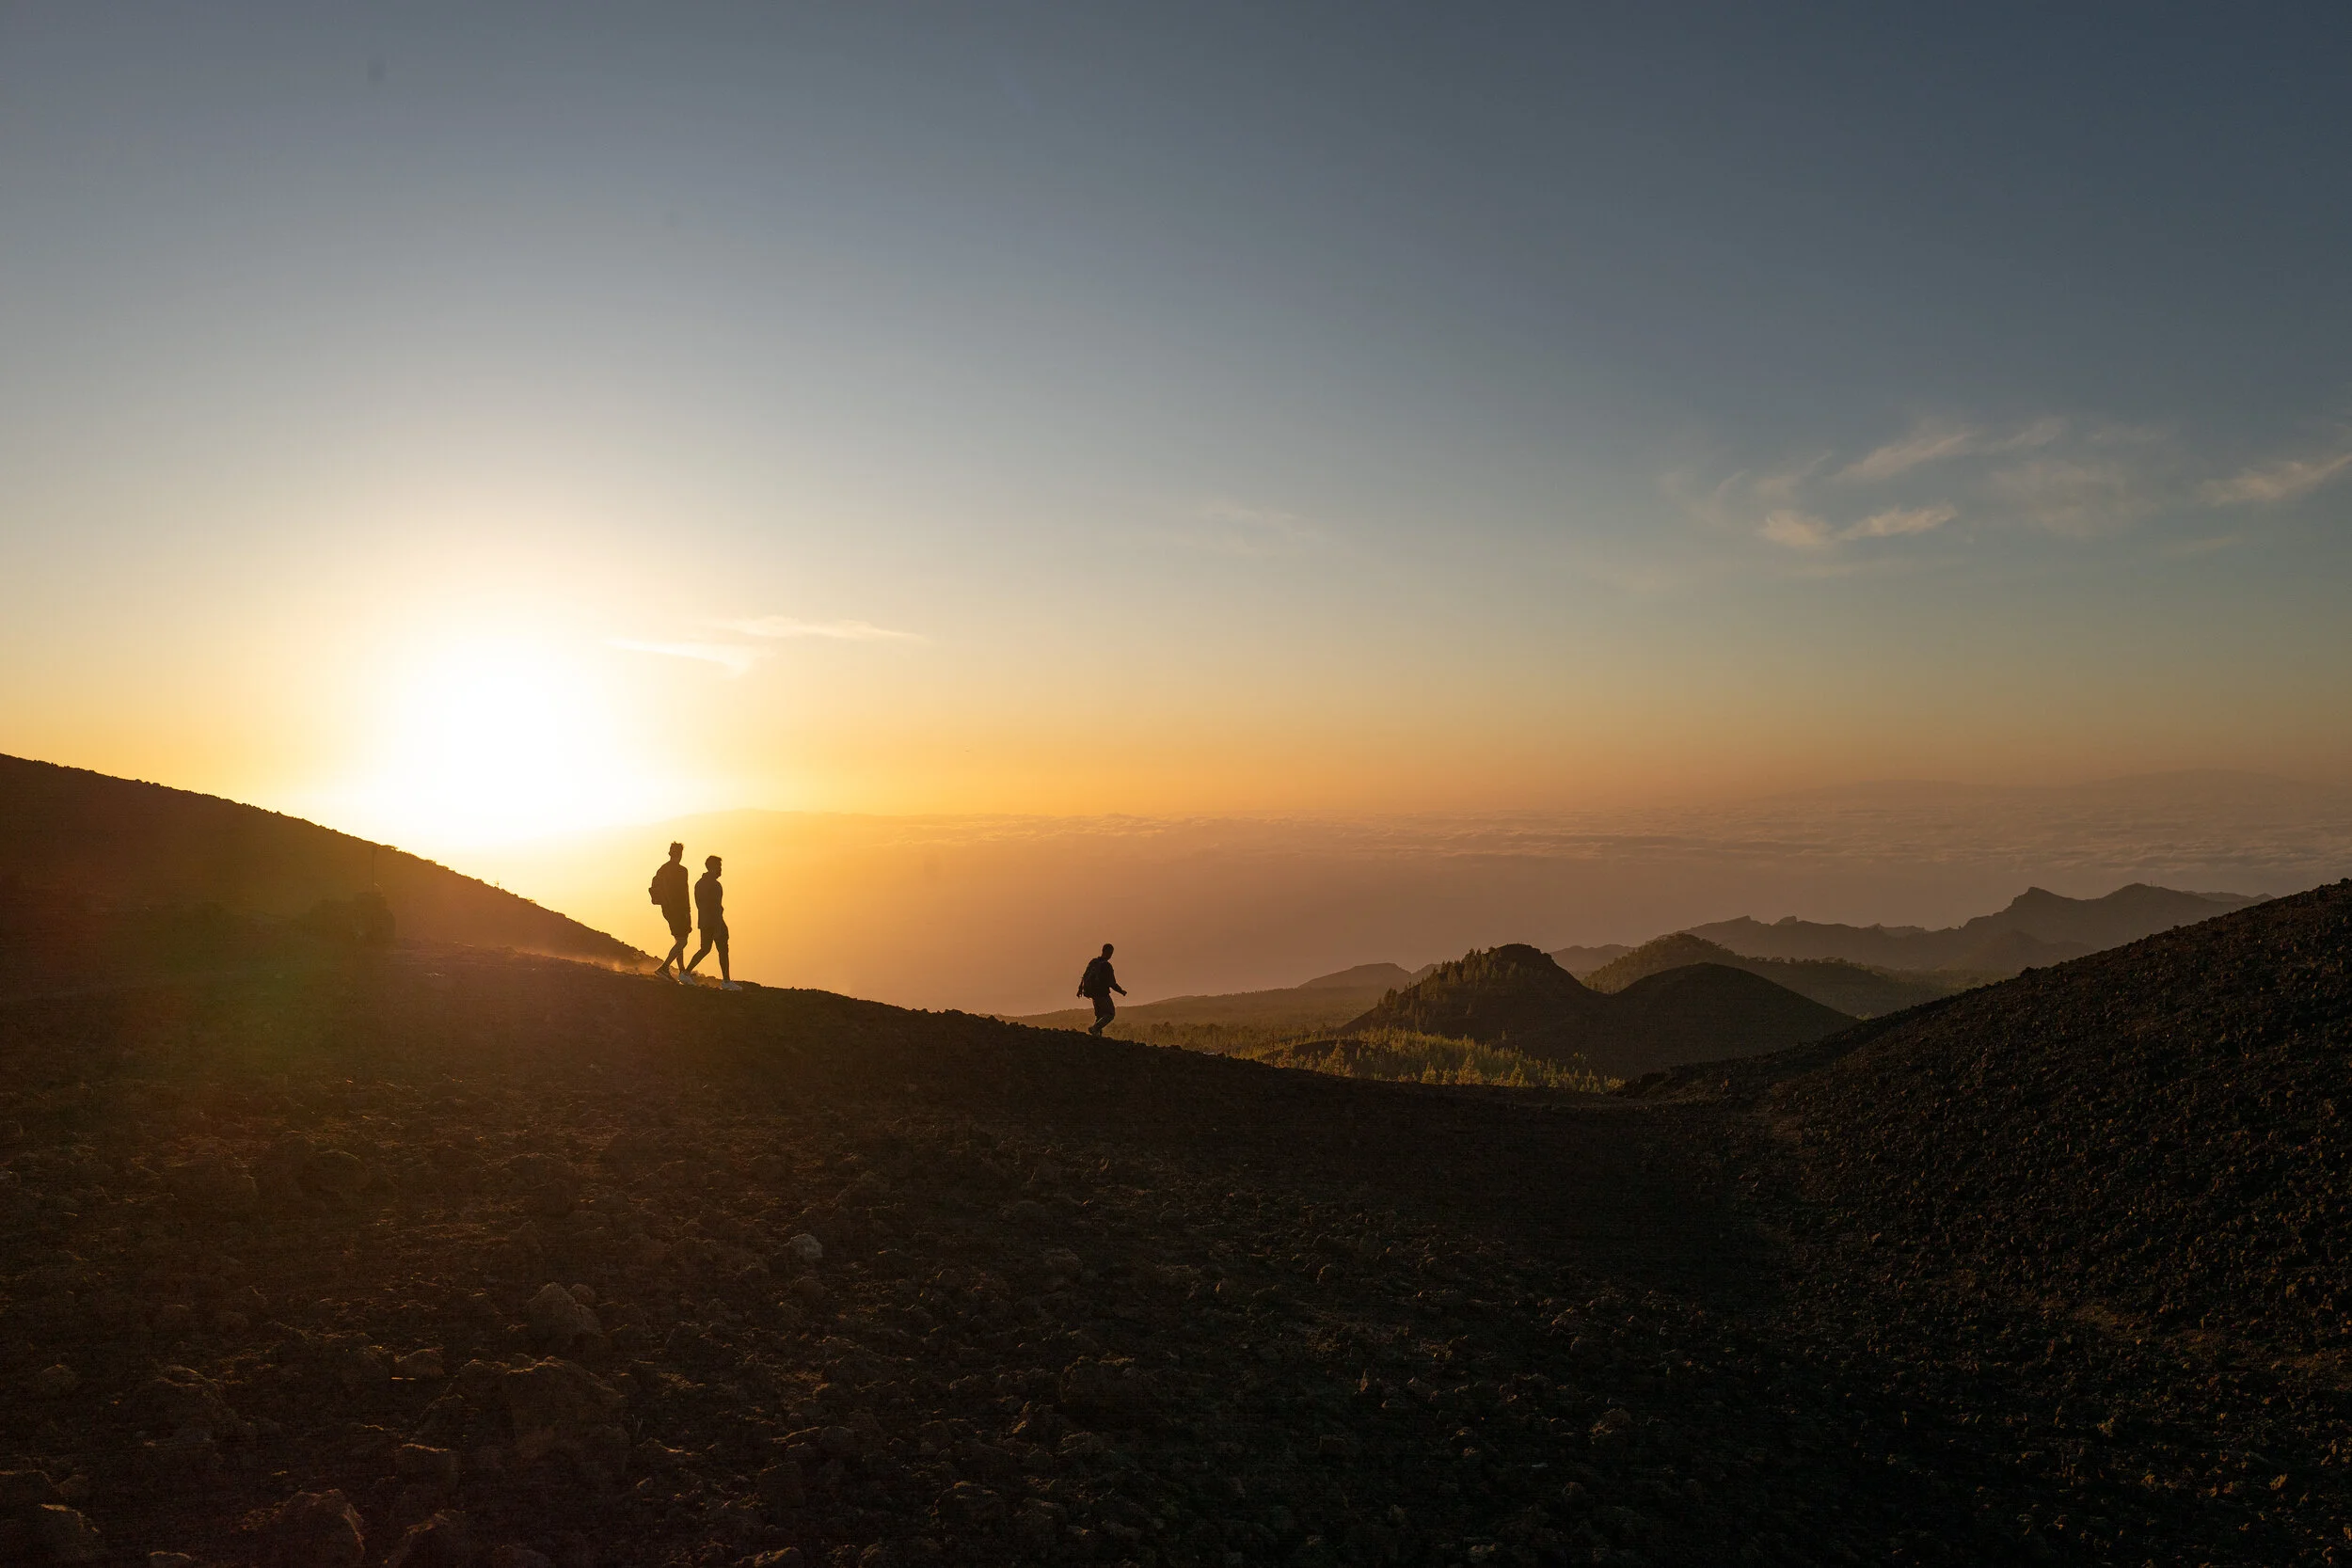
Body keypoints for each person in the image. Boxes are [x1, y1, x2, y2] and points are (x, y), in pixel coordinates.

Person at [682, 854, 740, 990]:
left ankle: (685, 973)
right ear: (713, 867)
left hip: (704, 921)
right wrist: (718, 927)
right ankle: (726, 981)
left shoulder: (699, 883)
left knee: (704, 949)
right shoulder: (715, 885)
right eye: (719, 867)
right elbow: (715, 907)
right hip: (715, 922)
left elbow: (699, 904)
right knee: (723, 950)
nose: (721, 869)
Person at [648, 842, 691, 981]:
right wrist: (686, 911)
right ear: (680, 854)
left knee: (679, 939)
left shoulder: (663, 869)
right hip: (678, 910)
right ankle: (664, 968)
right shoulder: (682, 871)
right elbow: (684, 893)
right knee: (683, 941)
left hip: (667, 910)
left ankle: (682, 970)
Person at [1076, 942, 1125, 1037]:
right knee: (1110, 1013)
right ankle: (1095, 1029)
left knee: (1099, 1015)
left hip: (1093, 994)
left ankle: (1096, 1036)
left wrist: (1079, 989)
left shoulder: (1093, 962)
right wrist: (1121, 991)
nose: (1111, 955)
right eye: (1110, 953)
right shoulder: (1106, 966)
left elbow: (1085, 976)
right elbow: (1112, 983)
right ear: (1106, 951)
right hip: (1102, 994)